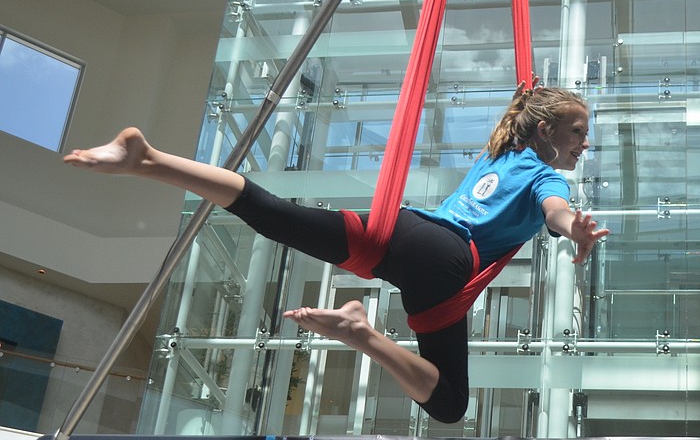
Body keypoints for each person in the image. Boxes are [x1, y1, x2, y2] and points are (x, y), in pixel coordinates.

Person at [63, 84, 609, 423]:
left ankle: (147, 159)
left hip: (408, 232)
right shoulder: (539, 172)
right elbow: (554, 208)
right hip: (444, 261)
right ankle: (361, 333)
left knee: (274, 214)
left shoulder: (499, 156)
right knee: (449, 406)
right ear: (545, 130)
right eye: (578, 132)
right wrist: (573, 228)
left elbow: (530, 127)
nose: (585, 144)